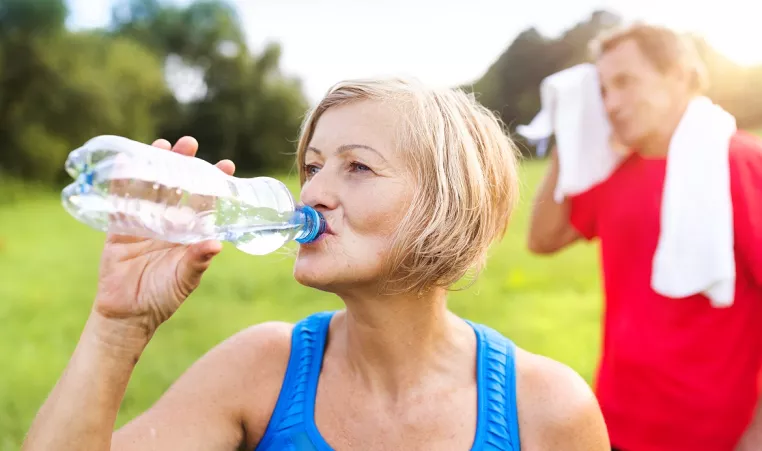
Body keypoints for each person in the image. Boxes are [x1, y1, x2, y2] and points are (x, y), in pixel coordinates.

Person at [22, 78, 610, 450]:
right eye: (312, 166)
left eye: (357, 167)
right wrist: (116, 326)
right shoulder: (260, 370)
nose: (310, 195)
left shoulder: (548, 410)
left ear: (448, 202)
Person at [527, 23, 762, 451]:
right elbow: (542, 240)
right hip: (614, 422)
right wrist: (573, 140)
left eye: (625, 82)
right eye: (602, 89)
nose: (611, 104)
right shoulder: (613, 170)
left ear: (678, 74)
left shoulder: (741, 163)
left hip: (718, 432)